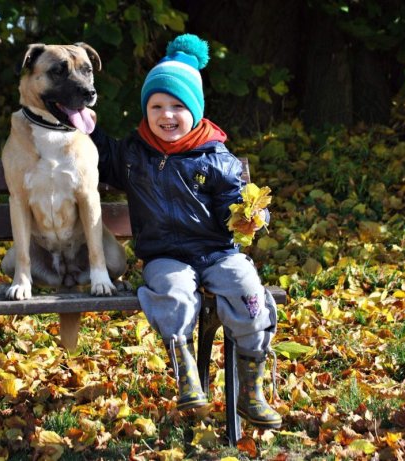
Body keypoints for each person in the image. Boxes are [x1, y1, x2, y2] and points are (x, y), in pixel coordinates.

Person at [89, 34, 281, 429]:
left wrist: (249, 216)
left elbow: (236, 204)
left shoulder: (216, 156)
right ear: (146, 110)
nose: (167, 115)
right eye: (157, 105)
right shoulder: (134, 153)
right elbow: (100, 155)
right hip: (165, 255)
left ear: (195, 109)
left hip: (216, 253)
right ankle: (187, 374)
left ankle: (251, 389)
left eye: (178, 106)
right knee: (171, 291)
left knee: (247, 289)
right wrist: (82, 124)